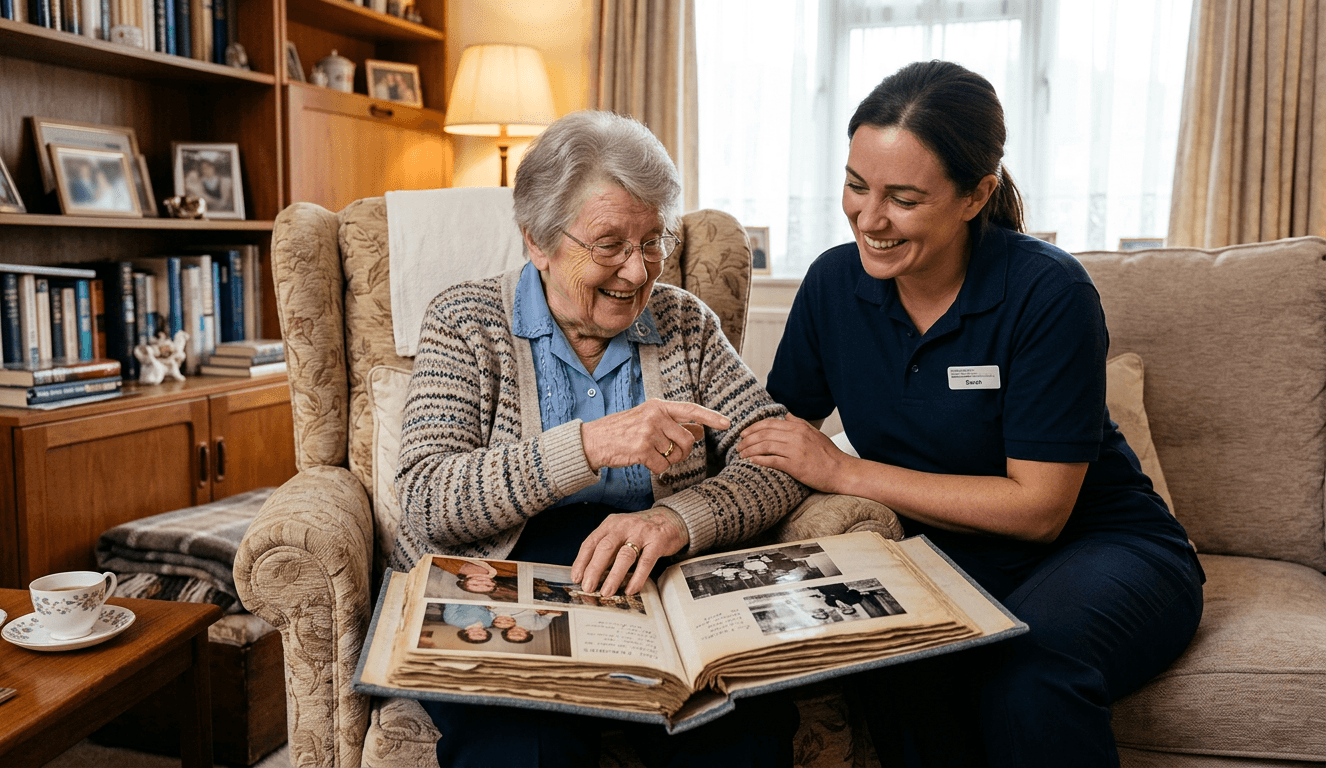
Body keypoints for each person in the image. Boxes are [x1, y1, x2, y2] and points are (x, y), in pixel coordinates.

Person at [739, 60, 1204, 767]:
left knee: (1028, 671)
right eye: (856, 186)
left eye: (903, 198)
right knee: (905, 668)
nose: (870, 218)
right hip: (947, 556)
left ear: (974, 195)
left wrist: (845, 470)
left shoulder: (1049, 292)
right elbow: (773, 430)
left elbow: (1040, 508)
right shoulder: (834, 284)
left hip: (1102, 547)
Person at [392, 109, 808, 768]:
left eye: (652, 242)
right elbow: (425, 497)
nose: (638, 272)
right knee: (526, 744)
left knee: (739, 731)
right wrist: (585, 448)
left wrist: (678, 518)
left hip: (652, 577)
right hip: (502, 580)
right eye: (609, 243)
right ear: (537, 240)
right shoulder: (465, 322)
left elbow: (778, 455)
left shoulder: (684, 324)